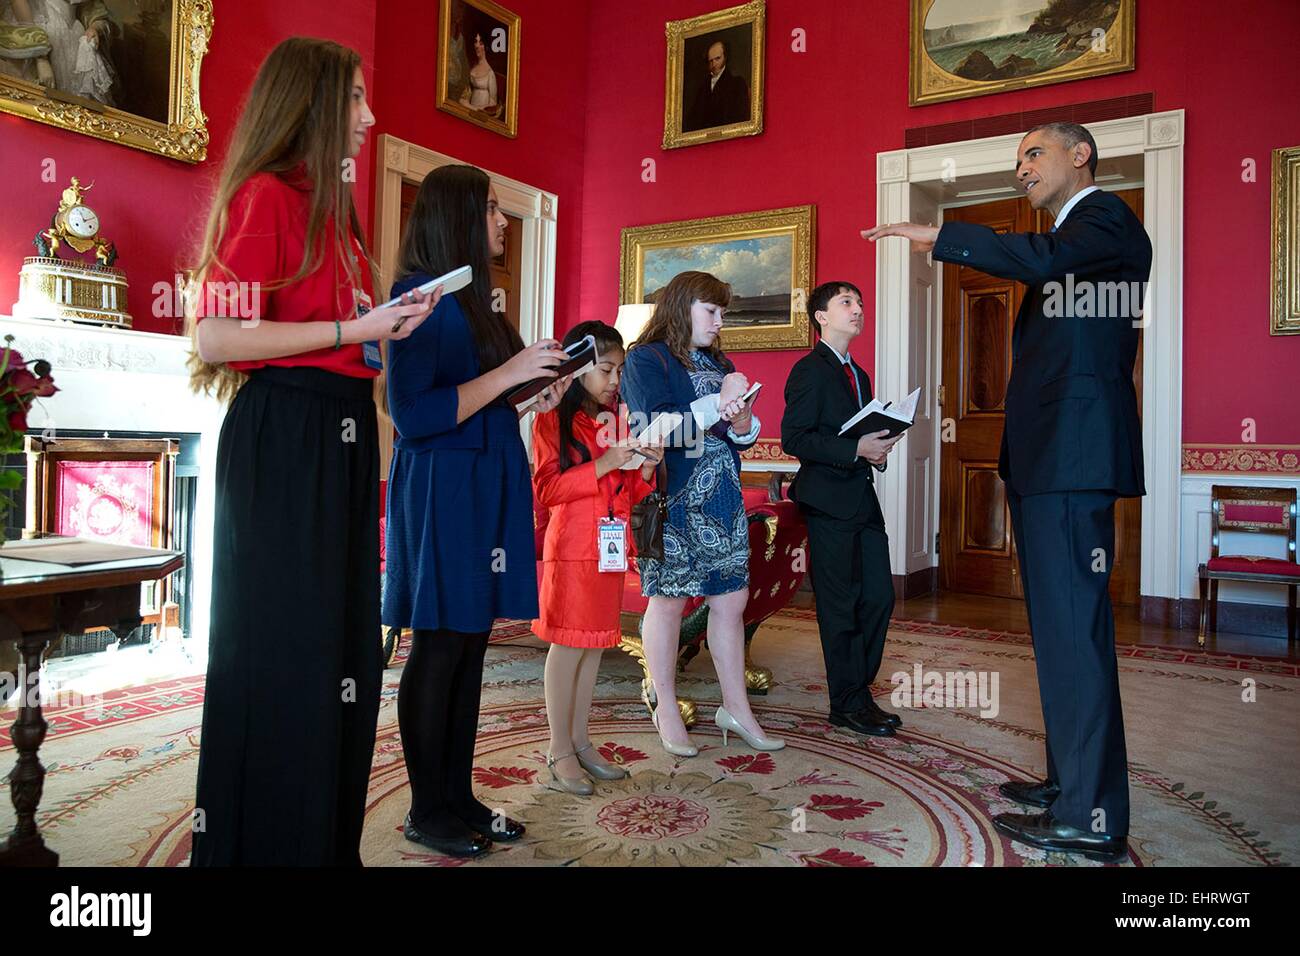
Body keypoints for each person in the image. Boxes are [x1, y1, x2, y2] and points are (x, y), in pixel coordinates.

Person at [864, 121, 1151, 863]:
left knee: (1075, 638)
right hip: (1054, 461)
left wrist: (944, 236)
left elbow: (1046, 260)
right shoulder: (1078, 245)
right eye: (1017, 157)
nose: (1020, 167)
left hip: (1073, 460)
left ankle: (1091, 820)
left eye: (1033, 153)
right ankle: (1071, 785)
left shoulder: (1104, 220)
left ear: (1079, 155)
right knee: (1060, 636)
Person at [187, 37, 440, 866]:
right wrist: (351, 330)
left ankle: (323, 844)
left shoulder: (338, 216)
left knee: (341, 653)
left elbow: (348, 344)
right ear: (316, 104)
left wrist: (387, 327)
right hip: (285, 438)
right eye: (358, 99)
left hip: (336, 436)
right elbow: (216, 334)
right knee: (286, 651)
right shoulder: (264, 195)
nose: (370, 117)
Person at [384, 163, 571, 858]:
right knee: (438, 644)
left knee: (470, 643)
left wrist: (535, 391)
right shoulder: (416, 297)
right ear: (458, 215)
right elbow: (413, 413)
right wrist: (512, 374)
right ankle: (425, 809)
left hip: (487, 475)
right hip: (442, 487)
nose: (501, 221)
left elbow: (484, 399)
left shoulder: (480, 302)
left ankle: (458, 796)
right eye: (491, 209)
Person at [620, 270, 784, 756]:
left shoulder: (718, 360)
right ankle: (665, 703)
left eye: (722, 314)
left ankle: (736, 708)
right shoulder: (645, 359)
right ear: (681, 306)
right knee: (668, 602)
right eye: (711, 311)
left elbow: (740, 437)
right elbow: (657, 428)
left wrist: (742, 418)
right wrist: (719, 399)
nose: (719, 322)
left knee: (730, 603)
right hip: (676, 500)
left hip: (724, 498)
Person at [531, 321, 662, 794]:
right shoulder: (551, 419)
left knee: (592, 649)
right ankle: (558, 748)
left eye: (619, 371)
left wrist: (644, 466)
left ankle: (582, 741)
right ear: (578, 369)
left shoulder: (616, 421)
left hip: (609, 549)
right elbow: (547, 490)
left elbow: (625, 491)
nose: (614, 381)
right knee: (567, 648)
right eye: (606, 369)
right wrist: (605, 462)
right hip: (571, 550)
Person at [781, 280, 902, 738]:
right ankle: (847, 703)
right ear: (821, 317)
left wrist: (876, 449)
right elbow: (795, 438)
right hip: (828, 501)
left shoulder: (860, 374)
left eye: (861, 303)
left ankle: (858, 691)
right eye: (847, 303)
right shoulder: (809, 371)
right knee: (840, 604)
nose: (858, 309)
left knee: (879, 597)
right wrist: (855, 450)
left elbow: (855, 434)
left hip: (862, 497)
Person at [683, 38, 749, 131]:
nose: (714, 64)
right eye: (711, 61)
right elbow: (693, 117)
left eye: (717, 59)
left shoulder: (737, 83)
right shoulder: (703, 87)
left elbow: (740, 117)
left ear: (725, 57)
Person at [458, 31, 497, 113]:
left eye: (481, 43)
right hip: (470, 110)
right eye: (476, 42)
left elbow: (493, 104)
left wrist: (477, 109)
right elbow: (464, 97)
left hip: (482, 113)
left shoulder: (490, 73)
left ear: (486, 47)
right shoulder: (471, 69)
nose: (477, 46)